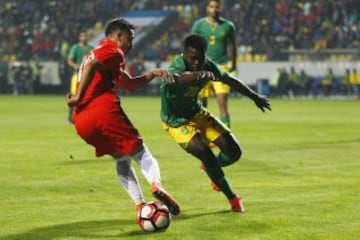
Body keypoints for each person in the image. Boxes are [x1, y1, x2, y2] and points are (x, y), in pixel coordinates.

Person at [66, 18, 180, 220]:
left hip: (82, 122)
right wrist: (78, 96)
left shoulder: (99, 52)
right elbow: (93, 65)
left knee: (122, 158)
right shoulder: (113, 51)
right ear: (119, 36)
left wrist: (153, 73)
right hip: (102, 110)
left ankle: (140, 207)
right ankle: (156, 184)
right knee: (141, 152)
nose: (131, 44)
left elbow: (130, 84)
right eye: (130, 38)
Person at [160, 34, 271, 213]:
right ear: (184, 54)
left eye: (200, 58)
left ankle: (210, 168)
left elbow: (230, 80)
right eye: (192, 58)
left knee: (234, 152)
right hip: (177, 122)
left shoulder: (208, 65)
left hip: (197, 113)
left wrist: (254, 96)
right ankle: (232, 197)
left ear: (205, 55)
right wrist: (199, 74)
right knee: (205, 152)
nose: (196, 62)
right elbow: (179, 78)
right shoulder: (177, 66)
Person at [191, 0, 237, 128]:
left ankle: (227, 138)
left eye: (217, 7)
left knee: (222, 103)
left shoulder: (228, 26)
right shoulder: (199, 25)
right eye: (212, 6)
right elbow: (191, 45)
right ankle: (203, 133)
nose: (214, 9)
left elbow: (232, 46)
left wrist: (233, 64)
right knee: (202, 104)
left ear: (220, 8)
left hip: (221, 67)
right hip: (203, 67)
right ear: (207, 8)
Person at [67, 30, 93, 123]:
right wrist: (76, 66)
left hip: (87, 76)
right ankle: (70, 117)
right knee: (74, 94)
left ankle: (83, 116)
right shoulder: (75, 48)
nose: (84, 38)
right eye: (82, 36)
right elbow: (70, 60)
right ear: (79, 37)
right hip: (76, 75)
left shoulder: (91, 48)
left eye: (85, 36)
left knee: (87, 96)